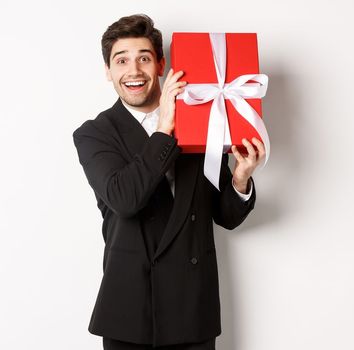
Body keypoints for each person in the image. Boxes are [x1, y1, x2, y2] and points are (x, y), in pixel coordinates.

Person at [72, 14, 264, 350]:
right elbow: (125, 199)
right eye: (122, 61)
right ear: (108, 71)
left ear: (161, 64)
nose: (133, 71)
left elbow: (226, 217)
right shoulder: (94, 134)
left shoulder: (203, 121)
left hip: (193, 310)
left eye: (144, 58)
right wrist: (164, 128)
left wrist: (240, 176)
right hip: (129, 313)